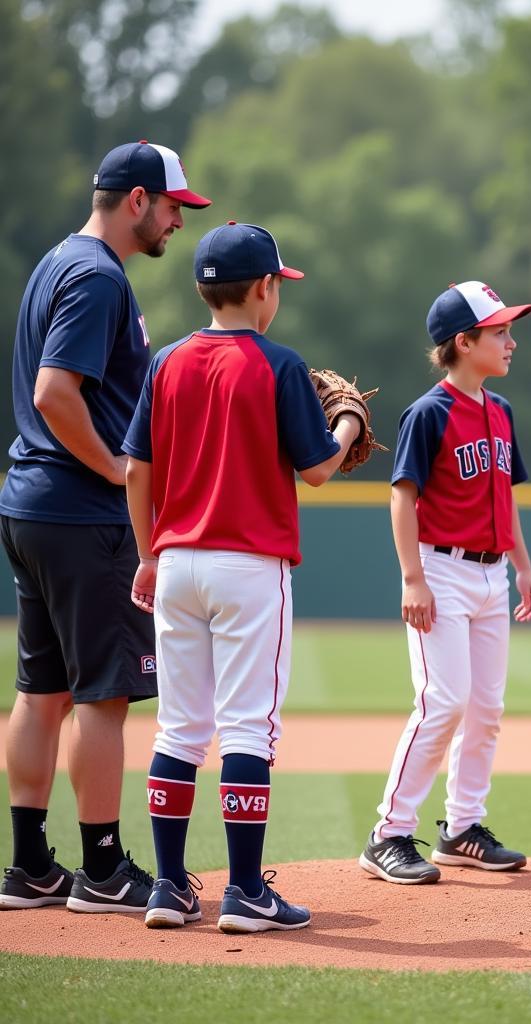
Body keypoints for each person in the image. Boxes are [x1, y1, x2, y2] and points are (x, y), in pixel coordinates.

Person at [121, 221, 364, 932]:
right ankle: (248, 892)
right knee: (247, 730)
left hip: (176, 564)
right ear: (264, 289)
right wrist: (346, 422)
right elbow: (318, 468)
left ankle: (168, 887)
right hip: (250, 567)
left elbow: (138, 470)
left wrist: (147, 553)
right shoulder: (279, 365)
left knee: (180, 728)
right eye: (277, 286)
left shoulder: (166, 362)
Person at [0, 141, 210, 914]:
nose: (177, 223)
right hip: (81, 513)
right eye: (173, 207)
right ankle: (102, 868)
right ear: (136, 201)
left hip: (31, 502)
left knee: (40, 690)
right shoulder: (96, 275)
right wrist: (119, 473)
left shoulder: (59, 260)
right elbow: (58, 392)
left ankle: (29, 867)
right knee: (101, 697)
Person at [359, 281, 531, 884]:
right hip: (440, 569)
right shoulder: (428, 412)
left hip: (492, 574)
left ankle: (463, 827)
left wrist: (523, 565)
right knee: (445, 701)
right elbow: (402, 495)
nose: (511, 341)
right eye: (499, 332)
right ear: (463, 342)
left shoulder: (502, 410)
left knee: (486, 708)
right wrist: (412, 578)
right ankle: (388, 833)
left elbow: (504, 497)